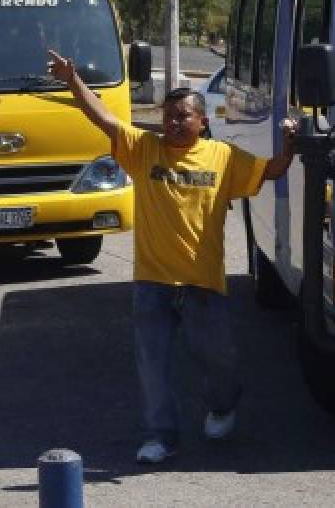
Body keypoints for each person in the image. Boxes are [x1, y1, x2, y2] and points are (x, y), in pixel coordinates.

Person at [46, 48, 297, 465]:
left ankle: (222, 406)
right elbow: (104, 120)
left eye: (183, 116)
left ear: (202, 122)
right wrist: (73, 81)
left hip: (203, 283)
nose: (174, 123)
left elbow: (270, 171)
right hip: (153, 283)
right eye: (169, 116)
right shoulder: (144, 150)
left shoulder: (224, 158)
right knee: (153, 366)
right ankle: (161, 435)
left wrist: (289, 147)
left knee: (219, 361)